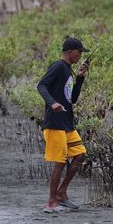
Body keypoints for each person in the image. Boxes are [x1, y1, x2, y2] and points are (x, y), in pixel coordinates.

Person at [37, 37, 90, 213]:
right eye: (79, 52)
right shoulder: (58, 66)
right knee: (59, 163)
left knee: (80, 154)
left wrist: (80, 78)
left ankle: (61, 193)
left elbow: (72, 99)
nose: (80, 55)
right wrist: (52, 103)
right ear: (69, 52)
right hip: (54, 124)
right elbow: (41, 85)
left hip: (67, 124)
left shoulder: (68, 70)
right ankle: (51, 203)